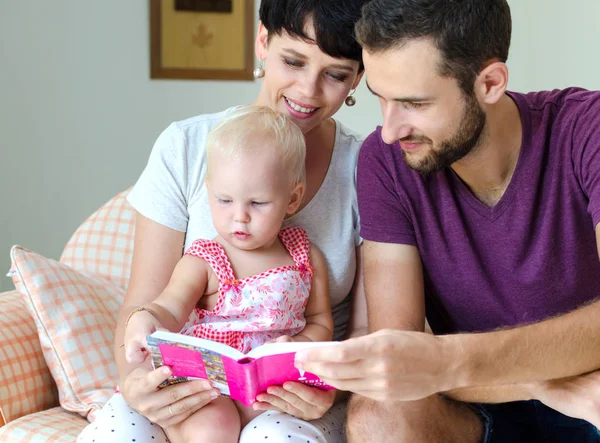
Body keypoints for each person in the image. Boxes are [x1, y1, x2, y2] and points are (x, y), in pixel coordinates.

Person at [293, 1, 600, 442]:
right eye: (381, 99)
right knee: (382, 415)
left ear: (490, 83)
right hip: (481, 406)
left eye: (414, 103)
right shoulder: (387, 162)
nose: (389, 130)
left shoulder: (586, 129)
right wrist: (541, 383)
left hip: (595, 396)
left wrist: (447, 360)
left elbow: (427, 364)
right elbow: (399, 368)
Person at [77, 1, 368, 442]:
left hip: (294, 398)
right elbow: (148, 303)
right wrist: (137, 381)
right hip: (196, 387)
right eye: (293, 60)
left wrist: (331, 386)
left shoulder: (366, 170)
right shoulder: (187, 146)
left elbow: (369, 332)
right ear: (263, 42)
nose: (308, 90)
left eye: (336, 74)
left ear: (357, 79)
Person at [122, 105, 334, 443]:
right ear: (209, 191)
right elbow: (170, 308)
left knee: (280, 429)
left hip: (271, 388)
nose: (240, 217)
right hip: (206, 386)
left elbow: (321, 321)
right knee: (213, 426)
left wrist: (299, 346)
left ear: (291, 199)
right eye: (224, 200)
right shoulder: (205, 259)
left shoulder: (305, 257)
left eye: (258, 203)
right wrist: (144, 318)